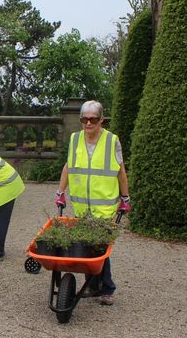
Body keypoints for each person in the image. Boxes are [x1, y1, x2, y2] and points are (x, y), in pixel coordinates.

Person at [54, 100, 130, 306]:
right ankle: (95, 286)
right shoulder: (75, 139)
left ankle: (106, 288)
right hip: (81, 206)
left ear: (101, 120)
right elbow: (68, 167)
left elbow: (121, 172)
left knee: (99, 247)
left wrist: (125, 198)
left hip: (104, 206)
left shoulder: (112, 141)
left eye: (93, 119)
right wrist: (60, 192)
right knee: (88, 247)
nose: (88, 123)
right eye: (84, 119)